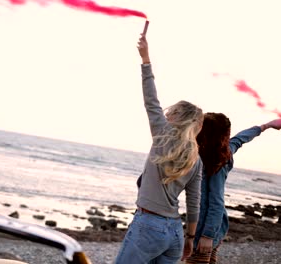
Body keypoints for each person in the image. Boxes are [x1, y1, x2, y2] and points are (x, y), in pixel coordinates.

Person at [114, 34, 204, 263]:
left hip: (148, 226)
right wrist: (190, 238)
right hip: (174, 231)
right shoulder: (197, 158)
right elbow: (194, 202)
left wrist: (145, 59)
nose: (165, 113)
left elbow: (150, 99)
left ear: (176, 117)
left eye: (170, 112)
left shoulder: (162, 134)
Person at [185, 113, 281, 264]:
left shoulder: (215, 161)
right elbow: (240, 139)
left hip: (204, 230)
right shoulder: (225, 151)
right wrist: (266, 126)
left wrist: (207, 236)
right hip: (214, 227)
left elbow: (216, 201)